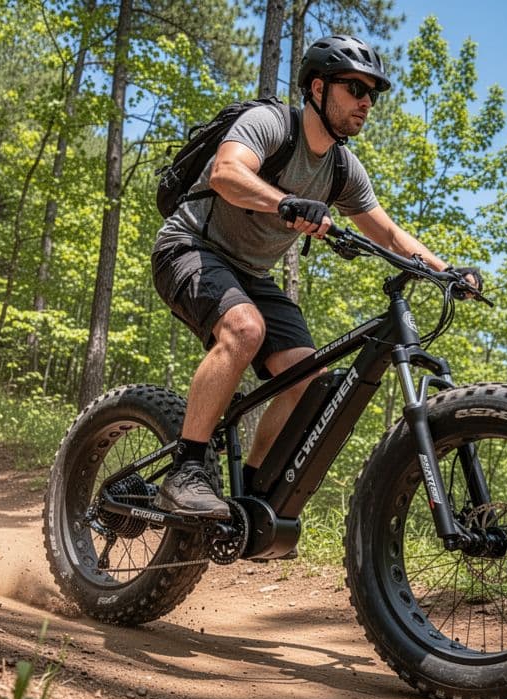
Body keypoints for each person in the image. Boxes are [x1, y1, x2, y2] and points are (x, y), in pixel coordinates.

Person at [150, 34, 477, 518]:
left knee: (309, 375)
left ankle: (251, 496)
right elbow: (227, 173)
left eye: (373, 94)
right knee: (244, 329)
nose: (366, 102)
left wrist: (444, 270)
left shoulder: (343, 168)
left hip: (250, 273)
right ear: (318, 88)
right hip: (189, 247)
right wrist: (283, 201)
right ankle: (187, 469)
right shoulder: (270, 124)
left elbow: (386, 231)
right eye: (355, 89)